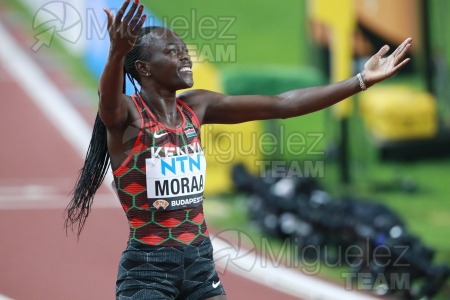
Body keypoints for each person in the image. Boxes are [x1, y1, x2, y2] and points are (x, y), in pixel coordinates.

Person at [64, 0, 413, 299]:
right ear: (144, 69)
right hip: (149, 268)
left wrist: (360, 80)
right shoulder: (127, 117)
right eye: (172, 53)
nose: (185, 57)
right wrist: (115, 53)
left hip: (199, 261)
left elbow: (281, 104)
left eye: (183, 49)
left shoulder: (196, 107)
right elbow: (106, 101)